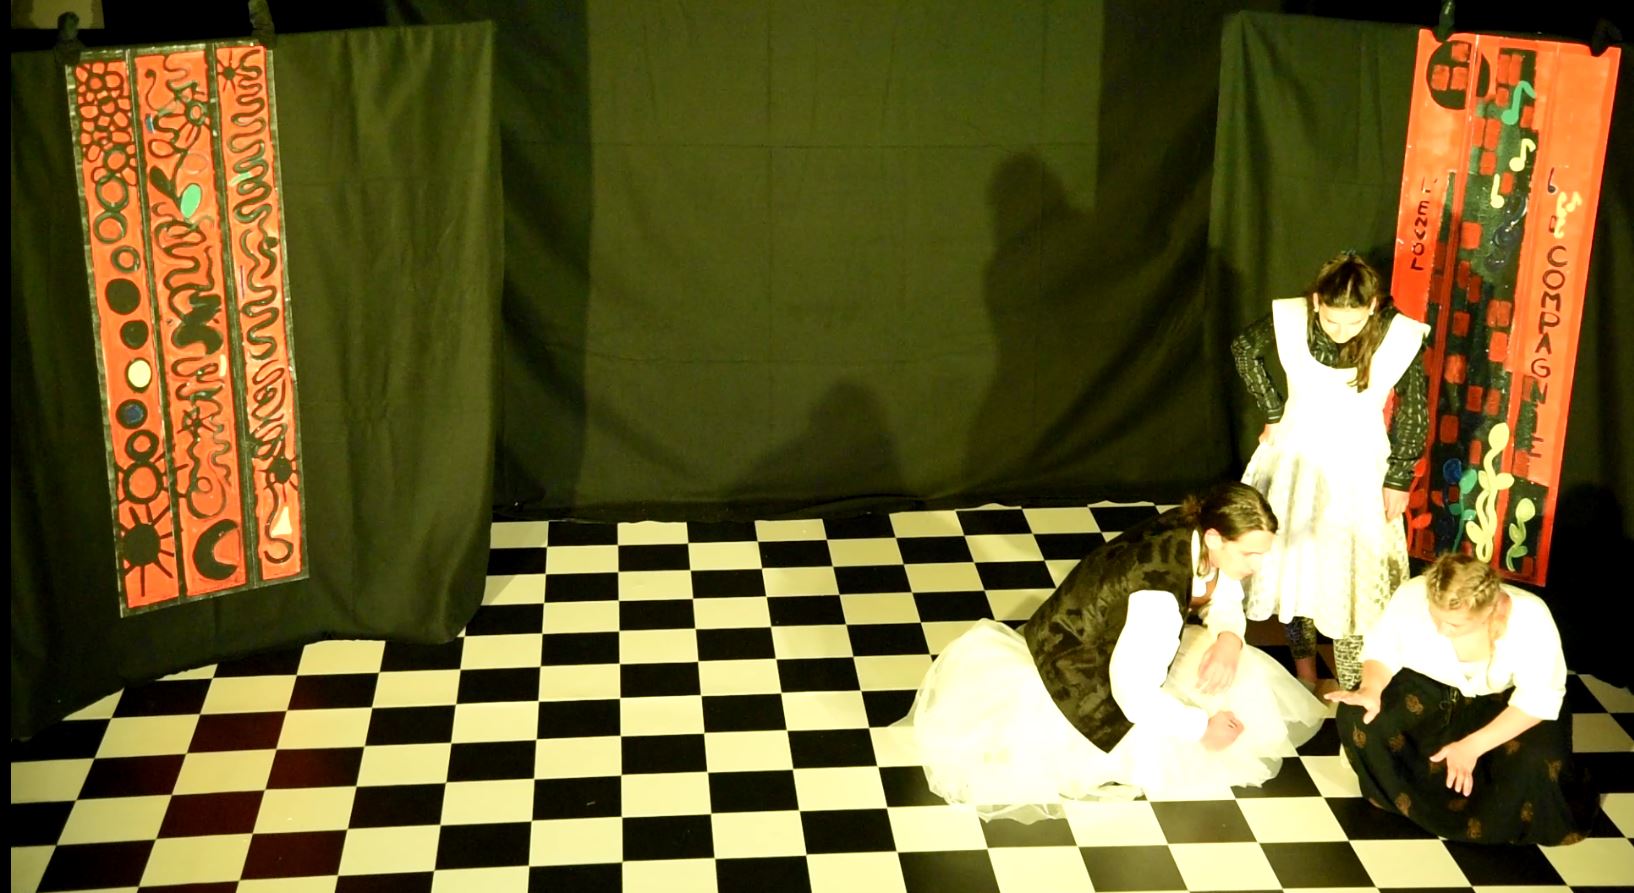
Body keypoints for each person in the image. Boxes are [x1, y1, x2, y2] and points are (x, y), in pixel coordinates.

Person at [898, 481, 1326, 821]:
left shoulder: (1196, 528)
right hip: (1082, 675)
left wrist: (1230, 637)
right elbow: (1132, 695)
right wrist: (1201, 728)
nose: (1257, 565)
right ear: (1215, 538)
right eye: (1250, 554)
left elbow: (1222, 590)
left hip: (1108, 635)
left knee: (1233, 664)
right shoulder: (1157, 596)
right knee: (1186, 730)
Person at [1232, 251, 1431, 693]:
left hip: (1359, 467)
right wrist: (1272, 410)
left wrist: (1399, 478)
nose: (1342, 332)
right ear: (1318, 302)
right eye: (1332, 320)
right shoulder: (1295, 318)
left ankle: (1352, 689)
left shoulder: (1399, 335)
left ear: (1372, 307)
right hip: (1295, 463)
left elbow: (1413, 413)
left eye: (1354, 321)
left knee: (1350, 583)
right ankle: (1306, 674)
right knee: (1295, 571)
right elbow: (1244, 349)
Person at [1328, 553, 1600, 845]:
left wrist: (1472, 746)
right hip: (1432, 693)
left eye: (1454, 625)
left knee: (1539, 758)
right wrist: (1370, 688)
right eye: (1436, 616)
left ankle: (1497, 821)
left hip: (1505, 705)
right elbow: (1382, 650)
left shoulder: (1530, 616)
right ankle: (1401, 801)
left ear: (1489, 614)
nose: (1441, 629)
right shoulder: (1413, 594)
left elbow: (1538, 699)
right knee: (1358, 718)